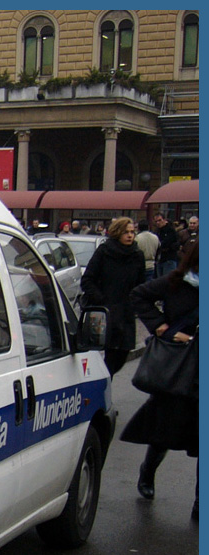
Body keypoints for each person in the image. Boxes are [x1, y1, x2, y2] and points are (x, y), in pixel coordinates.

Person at [121, 240, 198, 519]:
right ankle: (148, 471)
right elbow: (138, 295)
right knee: (165, 428)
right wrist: (162, 328)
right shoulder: (176, 282)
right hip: (177, 365)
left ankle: (200, 503)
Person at [79, 216, 146, 376]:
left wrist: (137, 303)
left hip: (126, 311)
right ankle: (103, 387)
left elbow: (141, 284)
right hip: (105, 311)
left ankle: (104, 381)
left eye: (132, 232)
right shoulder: (104, 252)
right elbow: (88, 280)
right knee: (106, 352)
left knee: (122, 353)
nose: (130, 235)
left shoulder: (137, 255)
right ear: (117, 233)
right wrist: (101, 299)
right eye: (126, 232)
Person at [153, 211, 180, 277]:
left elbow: (169, 242)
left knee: (167, 280)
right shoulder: (157, 231)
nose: (158, 223)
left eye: (159, 220)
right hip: (160, 259)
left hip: (169, 259)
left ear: (165, 220)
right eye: (156, 221)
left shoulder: (170, 230)